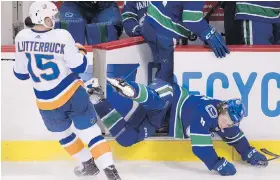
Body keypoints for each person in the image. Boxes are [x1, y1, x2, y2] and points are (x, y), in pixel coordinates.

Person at [13, 2, 121, 179]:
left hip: (46, 102)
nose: (55, 20)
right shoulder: (62, 35)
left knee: (64, 135)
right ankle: (110, 170)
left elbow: (21, 74)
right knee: (91, 133)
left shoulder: (21, 37)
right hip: (72, 93)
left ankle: (87, 164)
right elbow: (79, 65)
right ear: (42, 17)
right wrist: (82, 51)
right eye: (52, 17)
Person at [86, 77, 268, 176]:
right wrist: (217, 164)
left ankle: (98, 99)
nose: (226, 124)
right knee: (156, 102)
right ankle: (131, 89)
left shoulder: (226, 117)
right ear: (222, 109)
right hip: (169, 95)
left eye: (230, 123)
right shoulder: (206, 114)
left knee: (126, 139)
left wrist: (250, 153)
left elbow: (236, 137)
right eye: (226, 119)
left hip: (159, 120)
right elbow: (200, 148)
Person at [141, 1, 230, 83]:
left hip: (150, 25)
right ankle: (160, 97)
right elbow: (192, 20)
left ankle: (156, 92)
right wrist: (209, 33)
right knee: (166, 77)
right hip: (164, 34)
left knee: (161, 69)